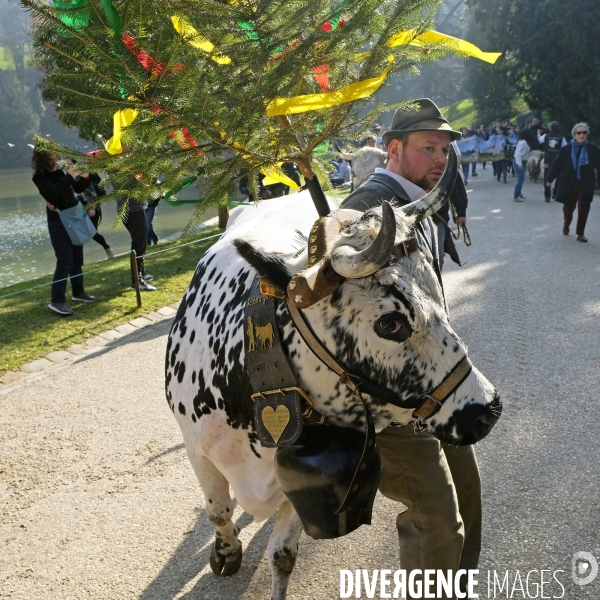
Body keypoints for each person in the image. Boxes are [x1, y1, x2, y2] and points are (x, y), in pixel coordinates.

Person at [341, 98, 480, 598]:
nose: (441, 158)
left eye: (444, 148)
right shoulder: (367, 211)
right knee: (436, 517)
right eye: (428, 147)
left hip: (434, 383)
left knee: (465, 493)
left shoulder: (416, 203)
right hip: (393, 402)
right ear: (392, 149)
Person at [32, 150, 98, 315]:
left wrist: (85, 176)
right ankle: (57, 301)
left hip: (74, 217)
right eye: (54, 155)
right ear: (44, 157)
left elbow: (77, 187)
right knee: (64, 261)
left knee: (77, 258)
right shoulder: (39, 176)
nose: (57, 157)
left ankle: (79, 293)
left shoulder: (61, 169)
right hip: (58, 221)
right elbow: (52, 194)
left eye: (57, 154)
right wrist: (69, 175)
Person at [546, 122, 600, 242]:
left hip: (586, 183)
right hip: (569, 182)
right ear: (574, 135)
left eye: (584, 132)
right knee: (568, 208)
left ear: (587, 134)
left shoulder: (593, 149)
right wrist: (549, 178)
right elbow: (557, 165)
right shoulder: (566, 149)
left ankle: (580, 233)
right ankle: (566, 224)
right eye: (579, 133)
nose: (582, 134)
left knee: (584, 207)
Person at [78, 172, 114, 258]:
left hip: (91, 206)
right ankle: (79, 261)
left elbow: (93, 193)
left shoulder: (84, 175)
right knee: (78, 234)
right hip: (77, 208)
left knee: (92, 232)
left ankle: (107, 247)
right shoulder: (66, 175)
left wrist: (93, 207)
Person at [539, 121, 567, 202]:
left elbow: (539, 140)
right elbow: (565, 148)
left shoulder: (545, 136)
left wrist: (538, 134)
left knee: (547, 176)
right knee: (558, 176)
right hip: (557, 160)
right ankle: (555, 194)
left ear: (550, 128)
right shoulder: (561, 138)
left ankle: (547, 195)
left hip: (547, 159)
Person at [512, 129, 531, 201]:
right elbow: (518, 154)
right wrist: (519, 163)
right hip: (519, 162)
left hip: (522, 161)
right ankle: (516, 196)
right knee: (520, 180)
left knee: (521, 179)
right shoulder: (523, 143)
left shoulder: (524, 142)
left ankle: (519, 193)